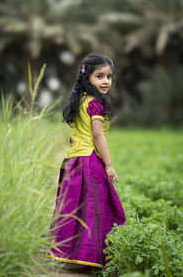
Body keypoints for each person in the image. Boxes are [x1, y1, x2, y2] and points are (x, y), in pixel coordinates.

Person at [48, 53, 126, 270]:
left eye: (109, 77)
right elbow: (98, 136)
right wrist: (109, 165)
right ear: (87, 78)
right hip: (90, 160)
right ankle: (89, 259)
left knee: (75, 206)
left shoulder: (80, 100)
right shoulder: (95, 104)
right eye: (99, 76)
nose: (105, 81)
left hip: (73, 160)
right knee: (95, 207)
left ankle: (71, 256)